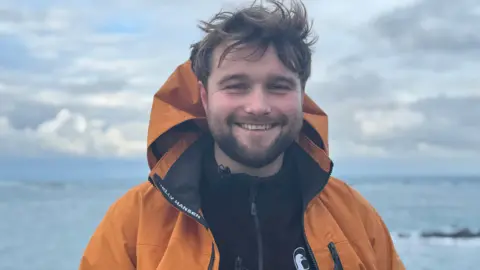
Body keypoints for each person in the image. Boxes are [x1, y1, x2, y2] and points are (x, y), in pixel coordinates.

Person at [79, 0, 405, 269]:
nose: (258, 106)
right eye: (236, 86)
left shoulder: (355, 216)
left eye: (278, 87)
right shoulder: (135, 221)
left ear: (301, 96)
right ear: (205, 98)